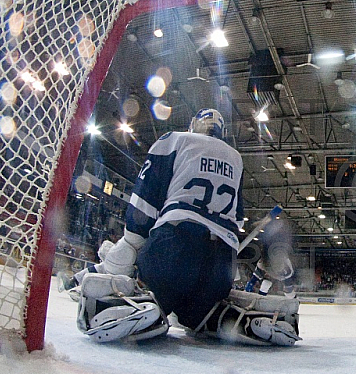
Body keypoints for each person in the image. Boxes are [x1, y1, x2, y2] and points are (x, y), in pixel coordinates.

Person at [75, 108, 301, 346]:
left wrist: (131, 243)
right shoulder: (235, 158)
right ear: (222, 131)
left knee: (152, 292)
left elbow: (145, 200)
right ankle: (229, 318)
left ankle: (138, 306)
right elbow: (237, 219)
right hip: (221, 265)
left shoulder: (174, 140)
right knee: (198, 314)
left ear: (194, 124)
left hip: (174, 247)